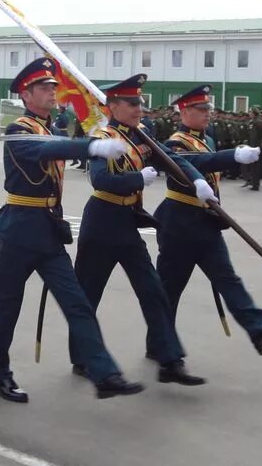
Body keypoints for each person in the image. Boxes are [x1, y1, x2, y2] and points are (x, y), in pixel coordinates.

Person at [0, 58, 143, 402]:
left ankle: (105, 373)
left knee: (77, 303)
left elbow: (54, 143)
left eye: (54, 87)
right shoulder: (19, 131)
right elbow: (46, 149)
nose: (53, 92)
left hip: (49, 231)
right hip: (20, 231)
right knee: (5, 307)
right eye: (44, 88)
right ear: (26, 95)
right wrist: (91, 146)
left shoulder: (47, 127)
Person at [73, 74, 209, 386]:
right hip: (101, 222)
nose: (139, 108)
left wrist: (197, 179)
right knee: (88, 295)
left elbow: (172, 158)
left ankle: (169, 361)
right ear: (114, 105)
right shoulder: (102, 136)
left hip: (127, 223)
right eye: (132, 103)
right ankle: (83, 358)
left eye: (140, 102)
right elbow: (100, 180)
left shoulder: (141, 135)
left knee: (154, 292)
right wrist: (138, 179)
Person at [154, 85, 262, 353]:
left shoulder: (207, 139)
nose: (208, 114)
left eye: (209, 109)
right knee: (169, 290)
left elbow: (206, 158)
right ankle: (161, 347)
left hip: (206, 222)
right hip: (179, 224)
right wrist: (232, 156)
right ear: (185, 112)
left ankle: (261, 330)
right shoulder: (175, 143)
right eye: (202, 109)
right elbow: (196, 162)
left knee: (228, 279)